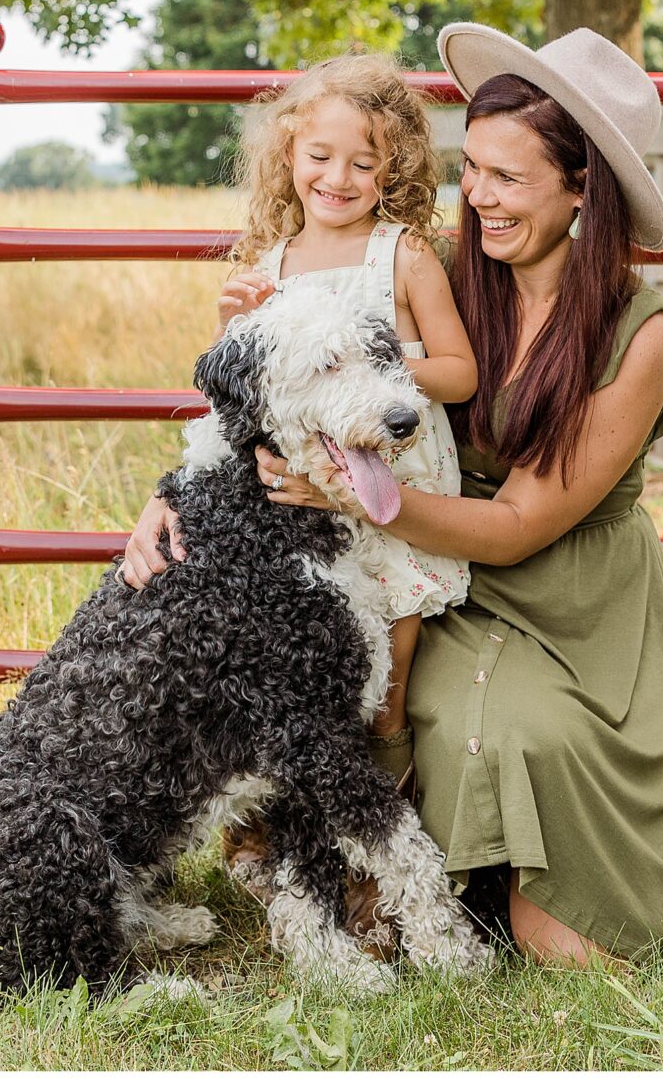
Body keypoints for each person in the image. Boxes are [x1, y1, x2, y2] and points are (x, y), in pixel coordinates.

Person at [124, 25, 663, 965]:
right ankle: (354, 870)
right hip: (435, 569)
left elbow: (520, 525)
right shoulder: (439, 267)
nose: (477, 196)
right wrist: (174, 496)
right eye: (472, 170)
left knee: (569, 946)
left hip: (562, 594)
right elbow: (290, 384)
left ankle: (500, 865)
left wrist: (352, 501)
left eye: (508, 179)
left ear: (583, 192)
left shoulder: (635, 332)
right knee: (376, 691)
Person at [166, 52, 478, 784]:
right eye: (319, 156)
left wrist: (366, 379)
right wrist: (227, 324)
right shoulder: (267, 266)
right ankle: (298, 816)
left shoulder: (401, 255)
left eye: (362, 164)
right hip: (306, 506)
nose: (337, 180)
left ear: (391, 169)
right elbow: (244, 394)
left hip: (396, 483)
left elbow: (458, 373)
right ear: (287, 151)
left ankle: (386, 807)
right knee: (309, 661)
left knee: (389, 665)